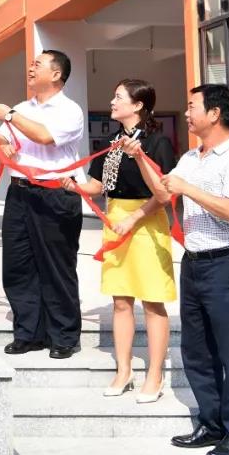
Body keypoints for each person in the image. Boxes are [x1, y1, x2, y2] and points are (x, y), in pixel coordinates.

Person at [129, 84, 229, 455]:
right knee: (198, 352)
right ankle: (211, 423)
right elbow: (166, 193)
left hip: (228, 265)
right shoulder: (190, 157)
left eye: (192, 107)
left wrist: (190, 188)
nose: (186, 114)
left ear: (215, 114)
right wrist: (139, 157)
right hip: (195, 264)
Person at [67, 80, 176, 403]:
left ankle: (154, 375)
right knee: (120, 301)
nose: (112, 102)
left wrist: (134, 218)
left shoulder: (157, 142)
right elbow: (98, 186)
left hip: (146, 222)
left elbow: (164, 194)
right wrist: (72, 185)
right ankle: (124, 370)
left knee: (153, 301)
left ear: (138, 105)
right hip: (116, 220)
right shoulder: (113, 141)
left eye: (118, 97)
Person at [0, 50, 85, 359]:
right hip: (19, 193)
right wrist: (4, 146)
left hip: (55, 196)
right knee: (18, 265)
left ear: (56, 75)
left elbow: (44, 137)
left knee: (56, 266)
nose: (30, 69)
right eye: (31, 64)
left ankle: (64, 336)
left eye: (37, 65)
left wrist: (9, 115)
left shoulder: (69, 111)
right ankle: (28, 333)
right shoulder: (22, 107)